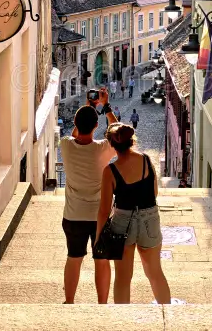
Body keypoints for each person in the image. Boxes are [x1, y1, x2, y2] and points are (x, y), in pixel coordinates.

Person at [96, 123, 171, 304]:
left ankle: (123, 318)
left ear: (112, 145)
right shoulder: (146, 160)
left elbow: (104, 210)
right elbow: (154, 192)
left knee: (123, 278)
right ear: (132, 141)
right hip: (149, 218)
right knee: (155, 273)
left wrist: (99, 237)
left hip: (122, 222)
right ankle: (167, 313)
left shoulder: (110, 171)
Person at [59, 87, 118, 304]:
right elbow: (118, 132)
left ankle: (69, 301)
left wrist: (89, 107)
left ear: (75, 124)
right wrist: (105, 107)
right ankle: (102, 303)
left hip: (73, 215)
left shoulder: (66, 146)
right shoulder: (102, 149)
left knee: (73, 258)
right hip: (100, 216)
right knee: (102, 261)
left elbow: (76, 135)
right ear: (96, 126)